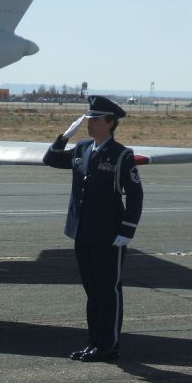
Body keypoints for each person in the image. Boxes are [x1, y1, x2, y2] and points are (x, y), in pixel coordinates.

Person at [43, 95, 143, 362]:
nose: (89, 123)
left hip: (110, 235)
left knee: (108, 290)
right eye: (88, 118)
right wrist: (64, 136)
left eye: (95, 119)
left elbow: (135, 195)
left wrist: (127, 230)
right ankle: (95, 342)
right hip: (82, 232)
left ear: (110, 123)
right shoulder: (82, 148)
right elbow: (50, 159)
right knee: (92, 290)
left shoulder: (121, 155)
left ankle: (109, 345)